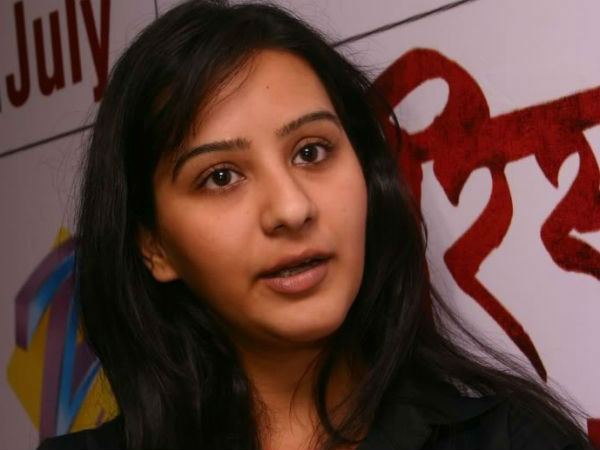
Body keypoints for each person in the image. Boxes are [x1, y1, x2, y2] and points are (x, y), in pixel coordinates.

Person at [38, 1, 594, 449]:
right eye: (221, 176)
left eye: (311, 151)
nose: (291, 208)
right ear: (154, 245)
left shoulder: (517, 442)